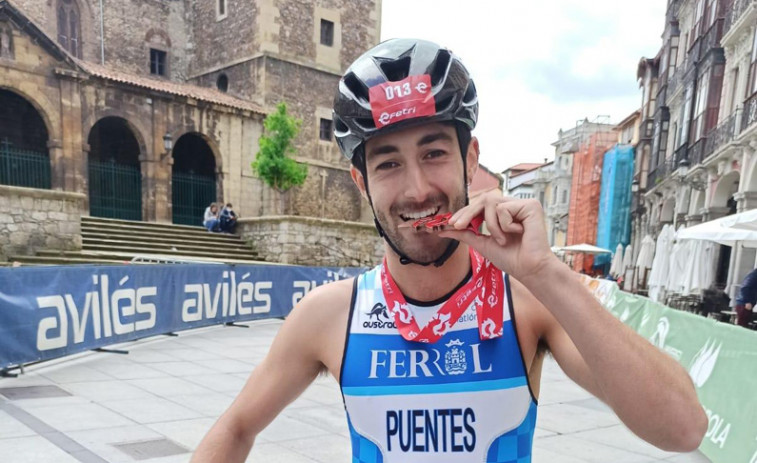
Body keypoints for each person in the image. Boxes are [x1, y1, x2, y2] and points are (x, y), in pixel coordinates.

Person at [191, 39, 706, 462]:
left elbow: (683, 430)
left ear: (471, 158)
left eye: (434, 152)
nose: (416, 190)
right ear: (360, 181)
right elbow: (235, 429)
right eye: (388, 163)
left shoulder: (528, 303)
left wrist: (546, 273)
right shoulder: (329, 315)